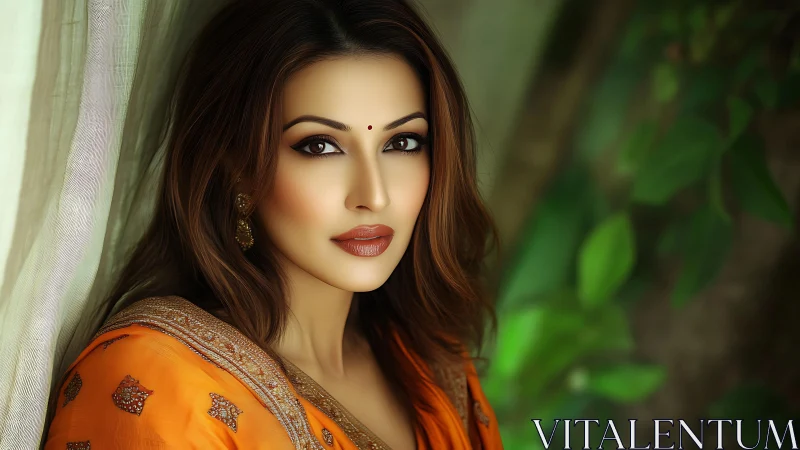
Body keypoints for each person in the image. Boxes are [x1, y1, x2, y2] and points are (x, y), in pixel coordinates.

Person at [43, 0, 502, 448]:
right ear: (236, 167)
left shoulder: (430, 363)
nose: (374, 195)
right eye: (320, 147)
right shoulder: (156, 381)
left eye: (401, 142)